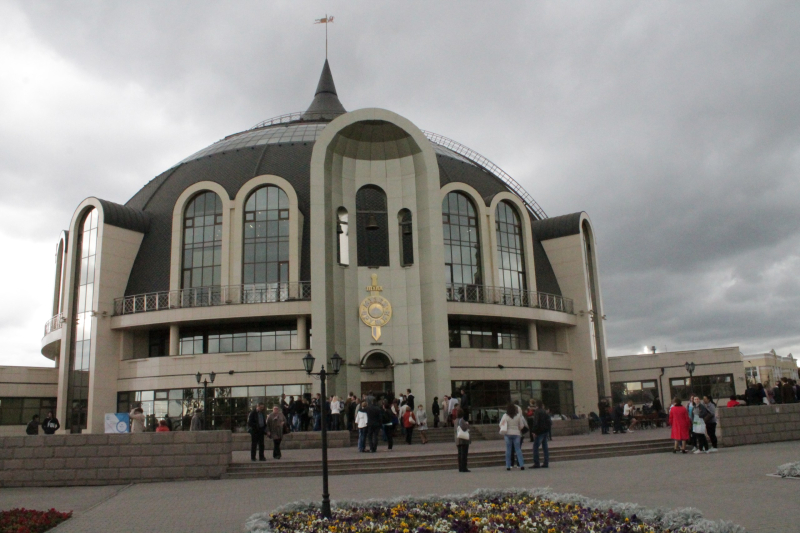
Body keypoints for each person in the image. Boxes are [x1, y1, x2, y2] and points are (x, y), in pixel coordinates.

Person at [499, 403, 525, 470]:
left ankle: (508, 466)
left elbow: (500, 424)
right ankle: (521, 465)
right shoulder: (518, 416)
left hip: (508, 434)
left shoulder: (505, 416)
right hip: (516, 434)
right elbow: (522, 426)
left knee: (508, 450)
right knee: (518, 449)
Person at [530, 399, 551, 468]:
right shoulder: (544, 412)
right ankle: (546, 462)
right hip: (545, 431)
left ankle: (536, 463)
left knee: (535, 447)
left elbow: (536, 423)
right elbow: (549, 422)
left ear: (536, 405)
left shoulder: (537, 412)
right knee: (545, 447)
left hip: (539, 432)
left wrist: (534, 431)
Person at [455, 408, 471, 472]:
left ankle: (460, 467)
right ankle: (464, 467)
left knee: (460, 454)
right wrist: (467, 424)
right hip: (463, 439)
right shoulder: (461, 420)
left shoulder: (456, 420)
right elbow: (464, 428)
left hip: (458, 439)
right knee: (464, 454)